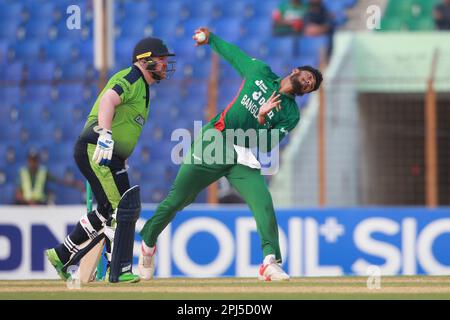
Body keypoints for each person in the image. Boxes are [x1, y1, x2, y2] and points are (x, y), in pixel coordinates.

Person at [137, 27, 322, 281]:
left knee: (263, 202)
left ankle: (270, 262)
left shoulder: (291, 114)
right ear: (295, 71)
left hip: (242, 153)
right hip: (215, 140)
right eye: (309, 76)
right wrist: (211, 38)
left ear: (306, 93)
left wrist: (260, 117)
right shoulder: (259, 72)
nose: (309, 82)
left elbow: (268, 145)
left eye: (311, 86)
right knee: (178, 199)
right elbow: (234, 55)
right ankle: (148, 242)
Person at [45, 37, 175, 283]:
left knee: (108, 210)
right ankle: (119, 270)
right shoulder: (132, 77)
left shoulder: (143, 86)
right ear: (144, 60)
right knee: (121, 210)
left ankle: (61, 255)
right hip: (99, 150)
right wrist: (105, 135)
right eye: (160, 60)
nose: (164, 66)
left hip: (110, 156)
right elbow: (108, 100)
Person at [14, 149, 84, 205]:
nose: (33, 163)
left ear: (38, 161)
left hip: (40, 203)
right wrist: (30, 202)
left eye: (35, 160)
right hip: (25, 204)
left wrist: (75, 184)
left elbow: (58, 181)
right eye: (31, 160)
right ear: (28, 161)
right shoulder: (22, 172)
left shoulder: (43, 171)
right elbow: (18, 194)